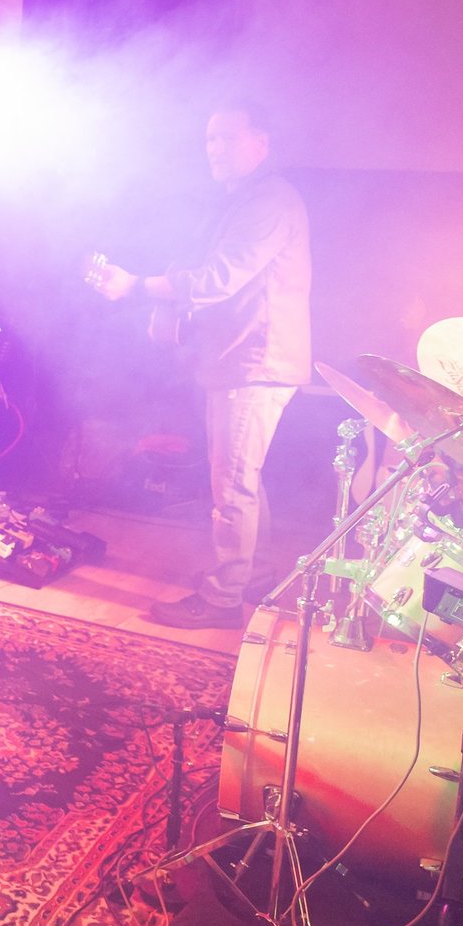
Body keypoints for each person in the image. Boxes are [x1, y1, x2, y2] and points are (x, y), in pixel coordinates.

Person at [89, 104, 312, 628]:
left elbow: (218, 280)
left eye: (227, 138)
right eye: (210, 139)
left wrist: (138, 286)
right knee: (243, 480)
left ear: (262, 140)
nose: (214, 148)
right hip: (244, 358)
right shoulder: (249, 200)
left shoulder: (270, 202)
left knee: (232, 485)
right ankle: (251, 571)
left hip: (255, 361)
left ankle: (223, 599)